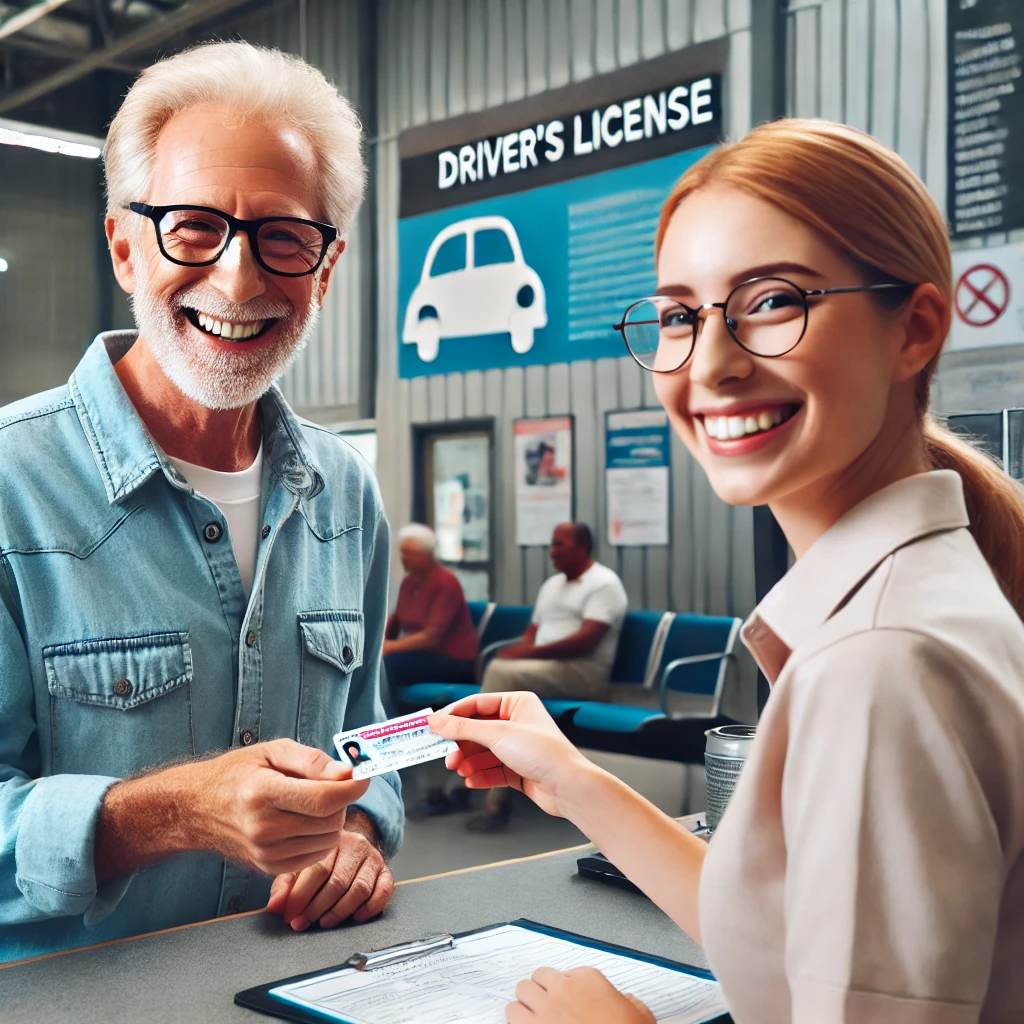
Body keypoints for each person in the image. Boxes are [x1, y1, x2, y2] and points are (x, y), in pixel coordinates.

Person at [430, 119, 1024, 1023]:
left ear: (917, 329)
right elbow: (788, 941)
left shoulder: (880, 662)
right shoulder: (907, 607)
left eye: (774, 300)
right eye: (678, 315)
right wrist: (570, 779)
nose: (711, 363)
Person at [0, 42, 403, 964]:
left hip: (300, 984)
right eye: (192, 227)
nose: (238, 278)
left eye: (285, 237)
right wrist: (173, 812)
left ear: (326, 267)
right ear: (125, 247)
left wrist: (364, 834)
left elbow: (371, 742)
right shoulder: (11, 487)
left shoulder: (345, 492)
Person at [468, 522, 627, 831]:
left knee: (501, 674)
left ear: (582, 548)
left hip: (584, 672)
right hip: (544, 671)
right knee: (502, 670)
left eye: (560, 545)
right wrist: (517, 650)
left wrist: (524, 655)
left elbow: (586, 642)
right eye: (552, 544)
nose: (552, 552)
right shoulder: (552, 585)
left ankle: (490, 794)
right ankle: (485, 775)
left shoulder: (604, 584)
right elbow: (532, 634)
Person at [383, 524, 479, 696]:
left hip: (454, 660)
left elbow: (432, 637)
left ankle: (393, 716)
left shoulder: (446, 582)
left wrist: (391, 647)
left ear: (427, 555)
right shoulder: (408, 583)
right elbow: (396, 621)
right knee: (375, 663)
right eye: (402, 553)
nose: (404, 559)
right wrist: (378, 645)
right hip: (421, 656)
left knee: (389, 664)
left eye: (410, 554)